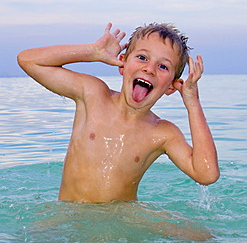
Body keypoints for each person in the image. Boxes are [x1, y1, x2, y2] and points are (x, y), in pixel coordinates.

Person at [17, 22, 220, 204]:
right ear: (122, 63)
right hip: (69, 216)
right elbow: (28, 60)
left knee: (202, 237)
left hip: (119, 224)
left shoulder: (163, 133)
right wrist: (92, 51)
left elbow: (207, 174)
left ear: (170, 88)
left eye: (162, 66)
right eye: (142, 57)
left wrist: (193, 103)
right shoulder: (93, 95)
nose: (149, 69)